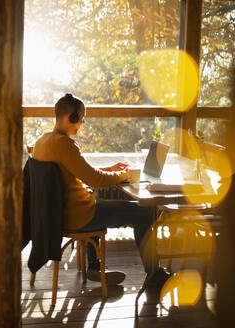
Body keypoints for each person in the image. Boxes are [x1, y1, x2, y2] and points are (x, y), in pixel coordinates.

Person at [32, 93, 156, 284]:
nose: (83, 122)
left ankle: (94, 266)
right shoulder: (65, 144)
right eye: (81, 117)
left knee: (95, 199)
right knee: (142, 212)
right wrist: (127, 175)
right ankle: (155, 274)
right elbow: (96, 180)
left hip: (58, 214)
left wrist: (110, 170)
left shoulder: (43, 141)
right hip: (80, 215)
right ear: (70, 117)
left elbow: (81, 172)